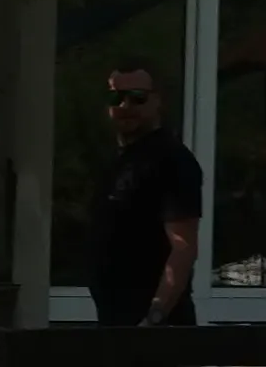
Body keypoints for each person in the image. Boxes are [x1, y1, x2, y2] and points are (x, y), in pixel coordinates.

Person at [88, 63, 205, 331]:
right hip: (115, 322)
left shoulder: (172, 160)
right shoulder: (118, 162)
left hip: (154, 331)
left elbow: (183, 247)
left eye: (137, 97)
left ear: (157, 101)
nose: (125, 105)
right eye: (116, 97)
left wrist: (155, 316)